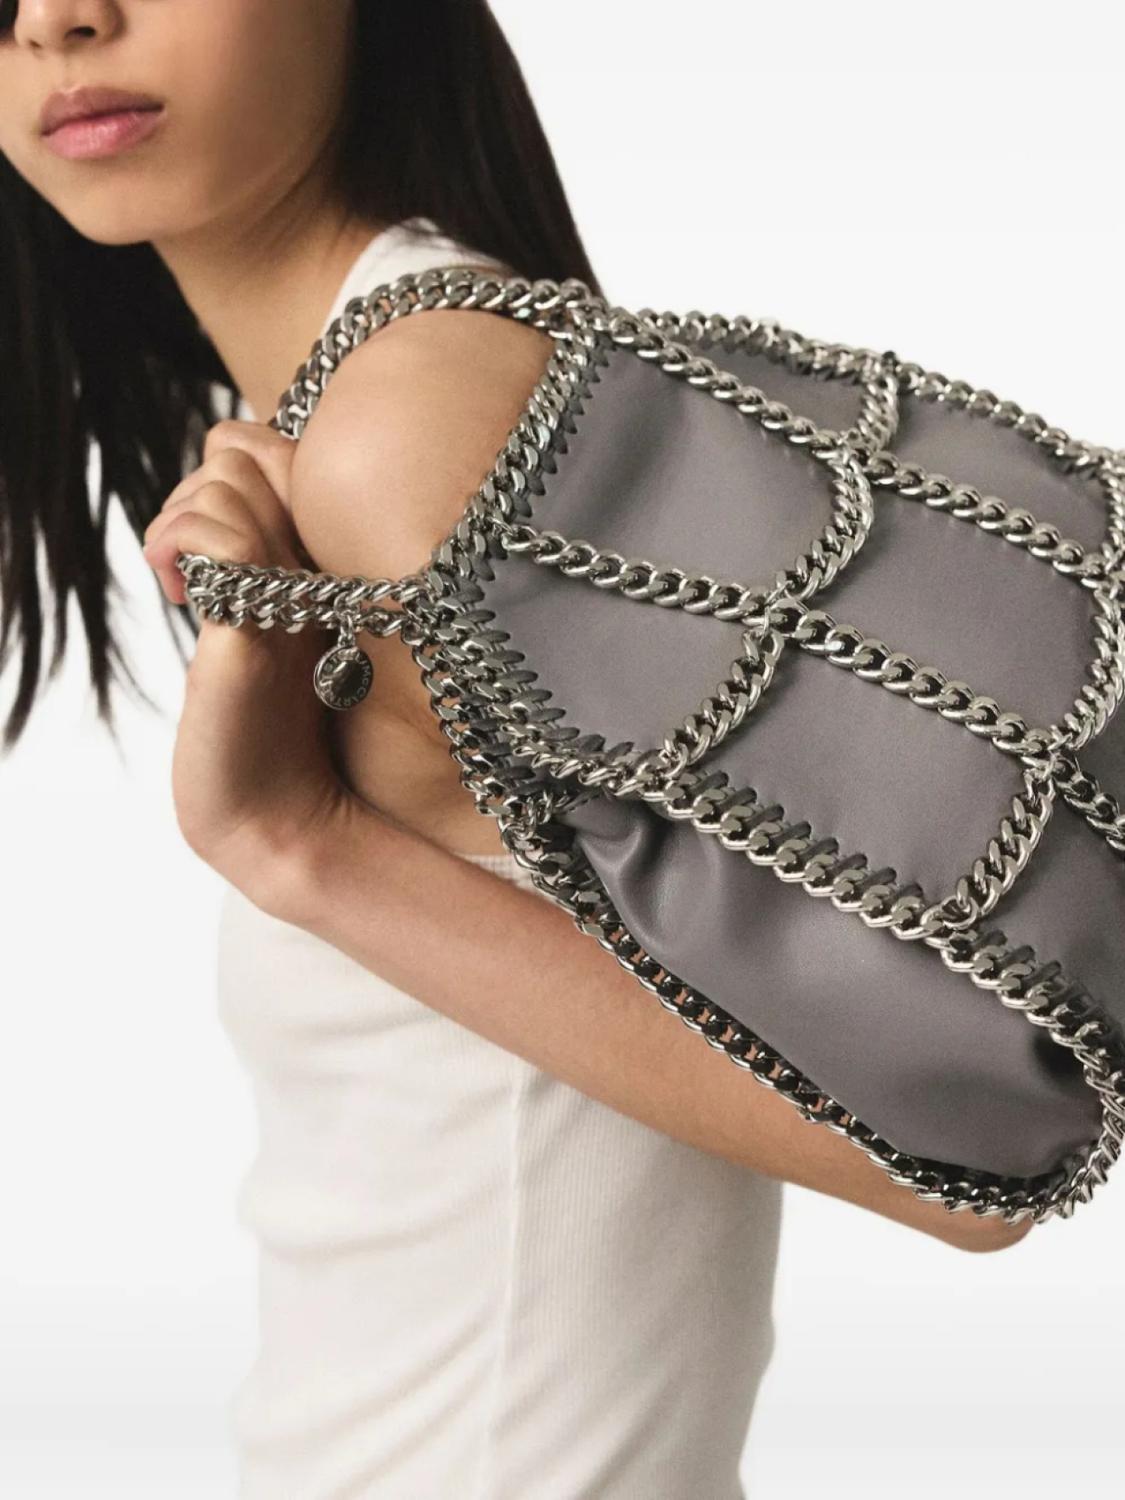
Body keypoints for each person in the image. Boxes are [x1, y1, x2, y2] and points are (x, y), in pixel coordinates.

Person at [0, 3, 1031, 1497]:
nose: (56, 19)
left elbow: (953, 1158)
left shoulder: (409, 430)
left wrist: (297, 844)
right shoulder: (341, 400)